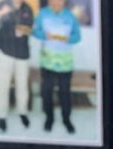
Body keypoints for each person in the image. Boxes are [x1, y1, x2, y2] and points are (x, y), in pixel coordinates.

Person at [32, 0, 81, 134]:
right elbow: (34, 31)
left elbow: (77, 36)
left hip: (65, 63)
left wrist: (68, 39)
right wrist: (44, 35)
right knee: (46, 92)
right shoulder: (42, 14)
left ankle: (66, 119)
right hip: (47, 61)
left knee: (65, 93)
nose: (57, 2)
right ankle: (49, 118)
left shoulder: (70, 16)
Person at [0, 0, 35, 132]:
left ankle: (22, 112)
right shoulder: (2, 4)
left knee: (22, 86)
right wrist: (2, 12)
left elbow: (31, 29)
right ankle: (1, 116)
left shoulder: (28, 8)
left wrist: (23, 30)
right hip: (5, 52)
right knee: (3, 86)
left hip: (22, 53)